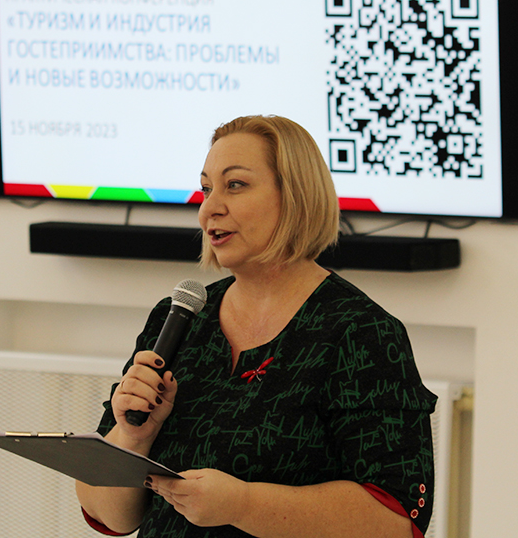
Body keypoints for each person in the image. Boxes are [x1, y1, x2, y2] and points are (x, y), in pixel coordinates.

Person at [76, 116, 437, 538]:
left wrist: (242, 505)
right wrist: (133, 436)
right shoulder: (179, 318)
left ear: (295, 197)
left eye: (235, 185)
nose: (209, 208)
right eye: (206, 188)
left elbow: (395, 521)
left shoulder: (360, 332)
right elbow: (111, 516)